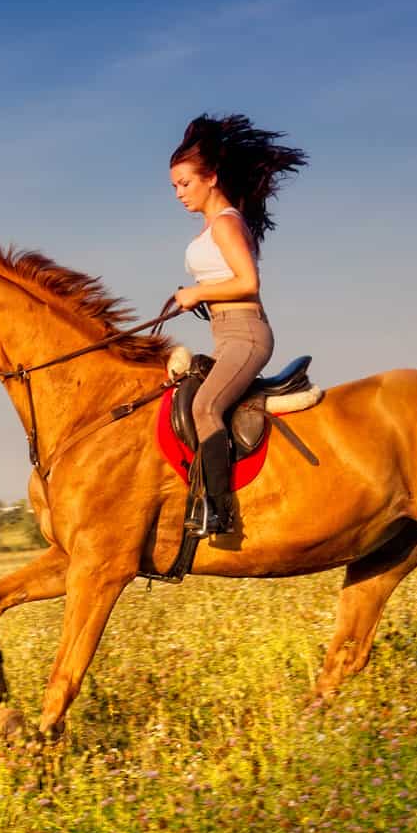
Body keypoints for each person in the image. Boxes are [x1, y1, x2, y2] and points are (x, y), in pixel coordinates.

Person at [170, 114, 307, 537]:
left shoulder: (226, 223)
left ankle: (220, 512)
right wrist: (197, 295)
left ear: (210, 177)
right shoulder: (213, 227)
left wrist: (198, 294)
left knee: (205, 407)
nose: (179, 194)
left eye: (185, 184)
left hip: (246, 334)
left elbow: (248, 282)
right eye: (175, 187)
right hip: (224, 331)